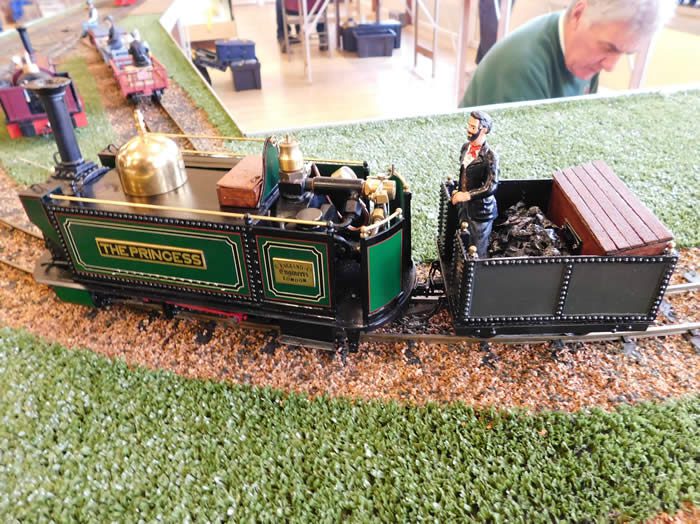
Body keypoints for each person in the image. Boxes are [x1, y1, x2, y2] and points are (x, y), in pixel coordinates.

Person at [460, 0, 672, 108]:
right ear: (579, 13)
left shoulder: (585, 56)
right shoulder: (519, 68)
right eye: (609, 48)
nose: (610, 66)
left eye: (625, 53)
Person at [451, 110, 499, 258]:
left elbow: (491, 186)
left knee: (477, 248)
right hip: (464, 207)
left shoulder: (491, 157)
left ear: (483, 129)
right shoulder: (465, 147)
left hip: (481, 211)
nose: (468, 130)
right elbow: (464, 173)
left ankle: (477, 269)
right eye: (469, 126)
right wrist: (459, 190)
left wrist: (467, 195)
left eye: (473, 127)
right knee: (463, 239)